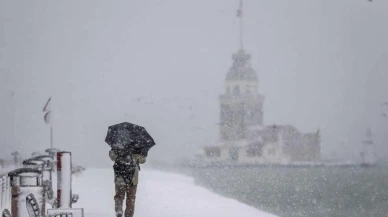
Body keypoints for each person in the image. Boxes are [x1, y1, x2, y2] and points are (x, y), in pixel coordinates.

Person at [109, 148, 146, 217]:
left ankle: (119, 209)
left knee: (119, 196)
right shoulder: (137, 147)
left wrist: (112, 151)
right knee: (130, 198)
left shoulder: (118, 145)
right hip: (132, 179)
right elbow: (142, 160)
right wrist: (142, 154)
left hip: (119, 178)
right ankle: (128, 215)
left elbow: (112, 157)